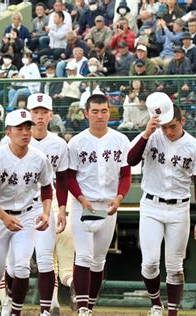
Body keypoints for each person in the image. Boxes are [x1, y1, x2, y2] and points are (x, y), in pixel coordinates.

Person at [127, 92, 196, 316]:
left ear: (182, 121)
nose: (168, 131)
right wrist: (146, 133)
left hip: (179, 208)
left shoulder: (194, 146)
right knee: (150, 262)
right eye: (165, 127)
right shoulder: (152, 136)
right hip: (151, 205)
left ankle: (172, 311)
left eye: (172, 126)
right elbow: (131, 159)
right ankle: (155, 304)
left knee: (175, 267)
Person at [0, 109, 53, 316]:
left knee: (21, 268)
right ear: (8, 132)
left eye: (28, 127)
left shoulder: (39, 158)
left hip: (26, 216)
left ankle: (14, 311)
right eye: (19, 128)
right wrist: (3, 216)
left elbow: (47, 187)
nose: (25, 132)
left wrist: (45, 213)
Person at [67, 94, 132, 316]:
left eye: (104, 111)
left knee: (98, 261)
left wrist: (120, 197)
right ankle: (83, 309)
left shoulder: (121, 140)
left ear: (109, 112)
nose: (100, 115)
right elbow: (69, 177)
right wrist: (81, 198)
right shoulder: (76, 141)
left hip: (107, 204)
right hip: (83, 203)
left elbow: (126, 174)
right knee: (84, 256)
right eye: (95, 111)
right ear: (86, 113)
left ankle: (89, 307)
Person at [27, 94, 69, 315]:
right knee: (16, 262)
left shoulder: (59, 143)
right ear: (29, 113)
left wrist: (62, 208)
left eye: (44, 112)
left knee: (44, 258)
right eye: (36, 112)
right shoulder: (16, 139)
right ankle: (9, 305)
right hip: (20, 203)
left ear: (51, 116)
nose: (40, 117)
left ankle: (46, 308)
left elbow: (62, 180)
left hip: (47, 203)